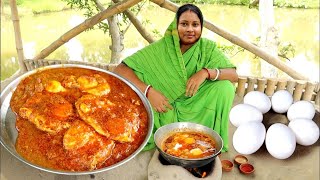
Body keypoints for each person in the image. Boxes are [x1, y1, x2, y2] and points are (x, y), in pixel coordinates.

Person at [114, 3, 238, 152]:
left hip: (195, 102)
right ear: (176, 26)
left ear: (201, 27)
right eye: (184, 24)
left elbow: (233, 75)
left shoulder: (206, 48)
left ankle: (206, 134)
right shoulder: (162, 48)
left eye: (195, 24)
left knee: (225, 87)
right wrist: (149, 91)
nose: (190, 29)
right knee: (135, 88)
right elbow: (120, 69)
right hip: (163, 106)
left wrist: (205, 72)